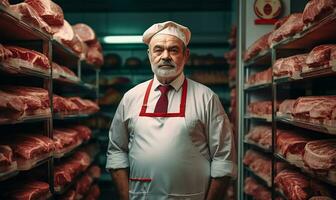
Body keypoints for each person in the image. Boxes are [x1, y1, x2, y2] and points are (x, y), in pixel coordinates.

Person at [106, 21, 236, 200]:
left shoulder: (206, 98)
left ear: (186, 55)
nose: (165, 56)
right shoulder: (131, 97)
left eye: (173, 50)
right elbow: (116, 152)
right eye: (158, 49)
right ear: (149, 54)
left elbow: (224, 159)